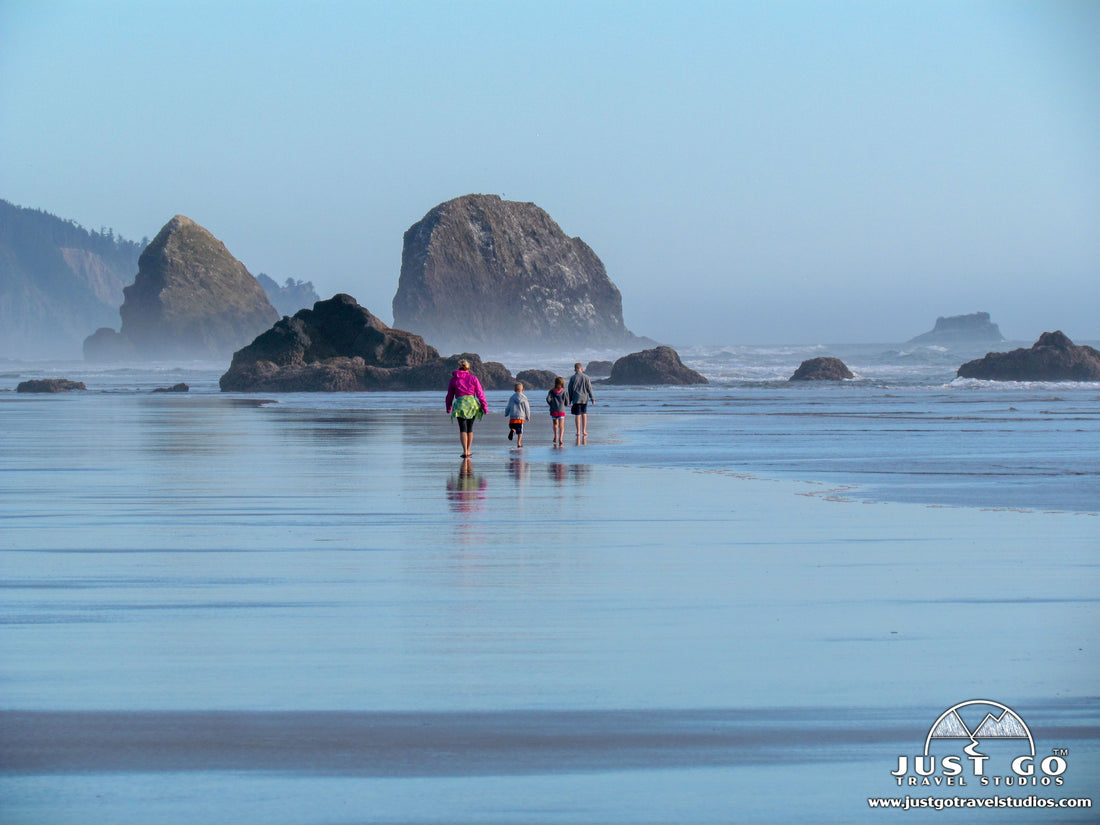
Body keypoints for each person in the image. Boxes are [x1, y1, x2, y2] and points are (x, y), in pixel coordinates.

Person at [445, 359, 488, 457]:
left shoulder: (454, 379)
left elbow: (449, 395)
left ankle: (464, 450)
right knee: (470, 428)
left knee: (462, 429)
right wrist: (484, 407)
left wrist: (448, 407)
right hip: (471, 404)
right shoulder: (473, 378)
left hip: (460, 405)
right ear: (468, 369)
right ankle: (468, 450)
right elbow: (480, 394)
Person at [567, 362, 594, 438]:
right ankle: (584, 430)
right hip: (585, 398)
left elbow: (570, 389)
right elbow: (589, 388)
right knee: (584, 414)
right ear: (582, 369)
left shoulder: (572, 378)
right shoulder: (586, 377)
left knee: (577, 415)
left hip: (576, 398)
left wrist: (569, 399)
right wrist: (592, 398)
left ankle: (578, 431)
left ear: (574, 370)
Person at [504, 382, 531, 447]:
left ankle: (513, 430)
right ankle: (519, 443)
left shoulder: (512, 397)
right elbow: (527, 408)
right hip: (520, 417)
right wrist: (528, 416)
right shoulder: (524, 398)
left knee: (513, 427)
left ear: (514, 390)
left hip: (512, 417)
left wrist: (506, 413)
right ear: (523, 389)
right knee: (520, 431)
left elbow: (508, 407)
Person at [546, 376, 568, 446]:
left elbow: (548, 399)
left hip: (553, 410)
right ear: (562, 383)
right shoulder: (564, 392)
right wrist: (565, 404)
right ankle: (560, 439)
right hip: (561, 410)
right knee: (561, 425)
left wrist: (551, 404)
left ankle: (555, 436)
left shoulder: (551, 391)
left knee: (555, 424)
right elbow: (567, 401)